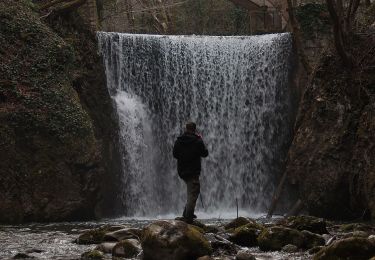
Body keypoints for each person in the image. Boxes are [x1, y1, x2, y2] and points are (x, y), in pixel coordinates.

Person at [173, 122, 209, 223]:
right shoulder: (197, 140)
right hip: (193, 171)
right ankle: (188, 218)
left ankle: (186, 213)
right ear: (194, 129)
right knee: (193, 192)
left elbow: (175, 154)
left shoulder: (179, 140)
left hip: (182, 171)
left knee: (193, 191)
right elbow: (205, 153)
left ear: (186, 128)